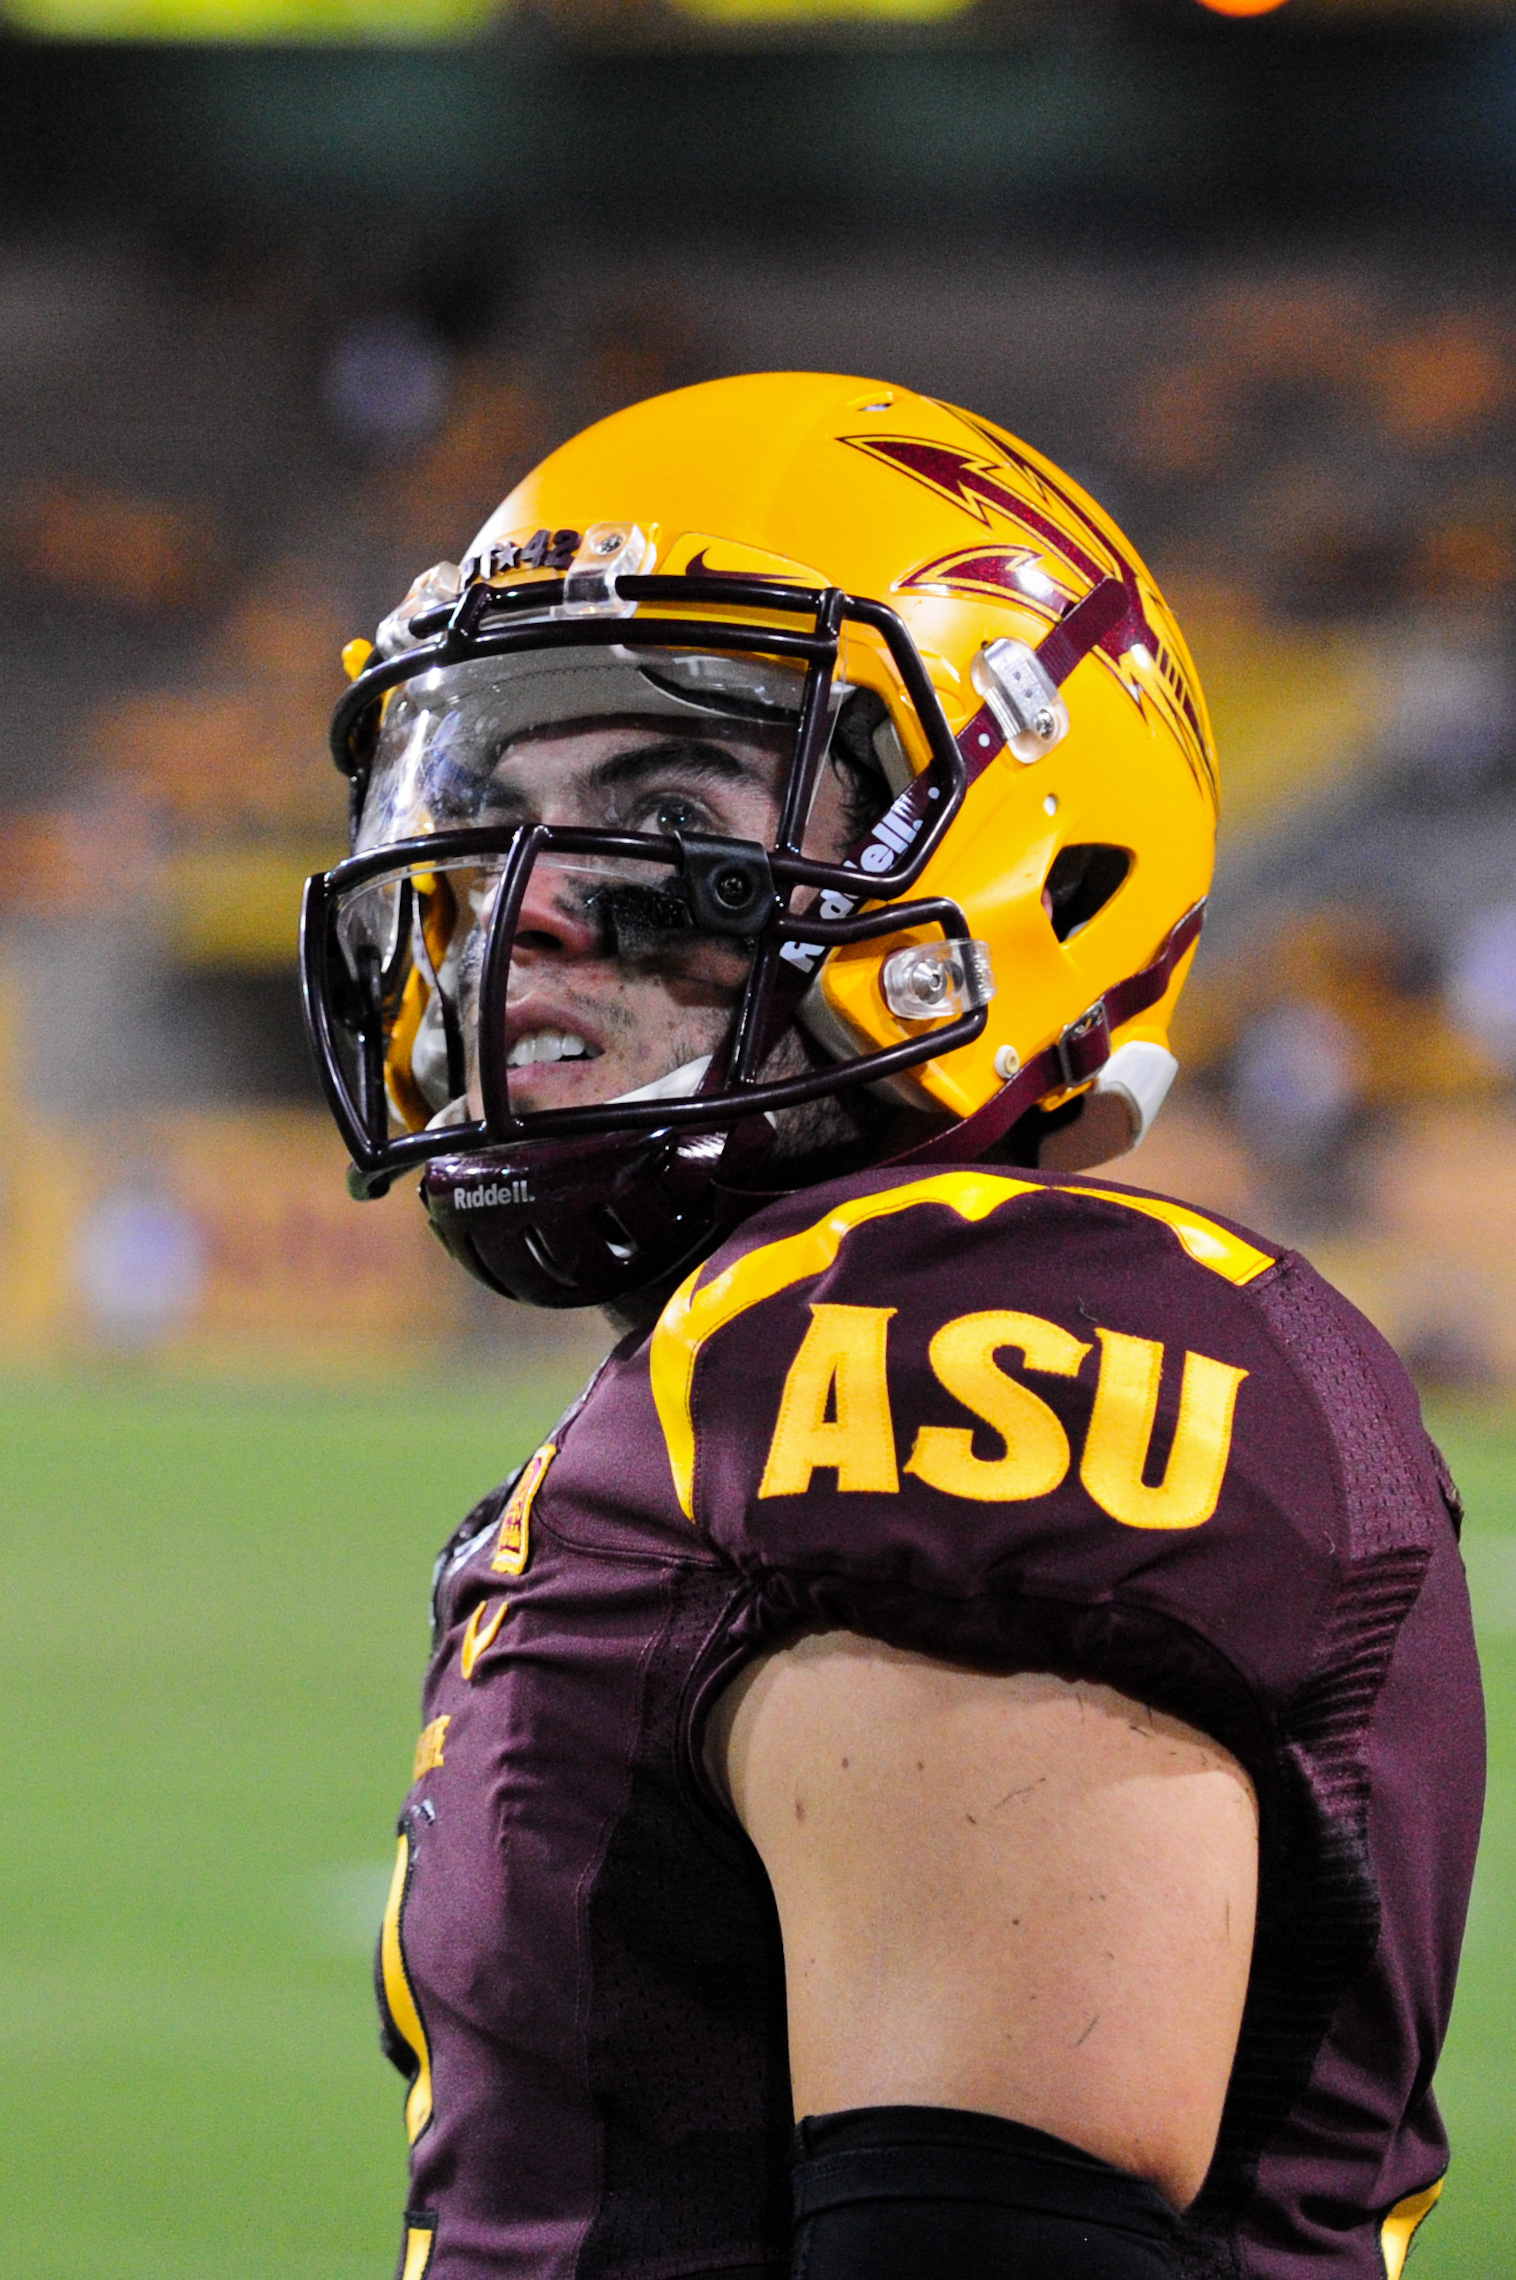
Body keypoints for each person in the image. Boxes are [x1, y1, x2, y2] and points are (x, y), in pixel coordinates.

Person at [300, 372, 1482, 2280]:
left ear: (1035, 855)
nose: (517, 911)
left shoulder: (968, 1349)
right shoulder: (767, 1350)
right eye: (490, 813)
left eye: (664, 811)